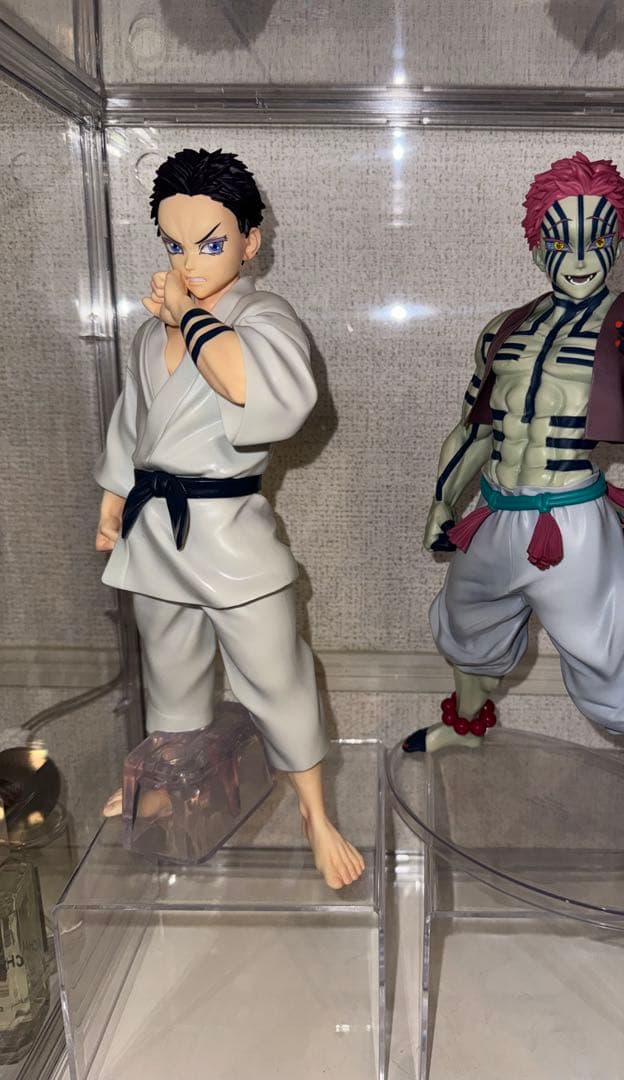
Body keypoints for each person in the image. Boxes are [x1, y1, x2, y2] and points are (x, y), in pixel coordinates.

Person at [403, 151, 624, 904]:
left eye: (599, 238)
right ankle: (467, 727)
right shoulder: (502, 329)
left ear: (620, 239)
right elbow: (474, 430)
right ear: (536, 245)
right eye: (562, 240)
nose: (583, 257)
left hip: (573, 526)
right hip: (494, 512)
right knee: (466, 627)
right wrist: (441, 500)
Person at [95, 147, 363, 889]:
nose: (189, 262)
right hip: (157, 530)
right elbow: (131, 424)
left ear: (250, 241)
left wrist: (188, 313)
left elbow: (256, 389)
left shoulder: (262, 316)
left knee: (274, 672)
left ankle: (314, 811)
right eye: (174, 244)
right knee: (171, 668)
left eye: (210, 244)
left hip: (230, 532)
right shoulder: (149, 334)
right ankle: (167, 783)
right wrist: (113, 500)